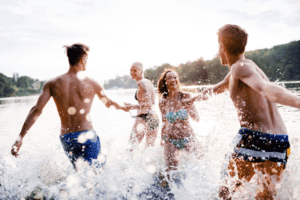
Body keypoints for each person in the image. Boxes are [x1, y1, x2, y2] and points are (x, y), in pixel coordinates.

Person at [187, 24, 300, 199]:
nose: (218, 52)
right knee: (266, 197)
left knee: (225, 192)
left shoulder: (239, 68)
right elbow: (217, 88)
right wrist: (190, 100)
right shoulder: (245, 67)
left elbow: (266, 89)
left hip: (254, 139)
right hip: (279, 143)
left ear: (222, 46)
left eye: (218, 46)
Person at [11, 43, 127, 170]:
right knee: (96, 175)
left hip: (67, 138)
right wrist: (125, 107)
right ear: (83, 59)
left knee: (79, 176)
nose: (87, 62)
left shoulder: (53, 83)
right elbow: (109, 104)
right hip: (87, 135)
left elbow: (36, 110)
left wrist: (20, 138)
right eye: (87, 59)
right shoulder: (91, 82)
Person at [157, 69, 200, 172]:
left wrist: (188, 105)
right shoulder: (163, 102)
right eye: (170, 78)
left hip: (188, 137)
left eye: (175, 77)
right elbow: (164, 122)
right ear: (165, 82)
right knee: (170, 170)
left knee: (199, 165)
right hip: (171, 140)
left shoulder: (186, 96)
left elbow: (196, 118)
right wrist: (162, 139)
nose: (173, 80)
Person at [124, 62, 159, 151]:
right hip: (154, 118)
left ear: (141, 71)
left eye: (135, 70)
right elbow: (151, 103)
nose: (132, 73)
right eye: (131, 70)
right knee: (148, 151)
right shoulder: (148, 82)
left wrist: (132, 106)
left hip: (144, 118)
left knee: (130, 149)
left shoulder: (140, 83)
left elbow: (149, 103)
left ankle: (125, 165)